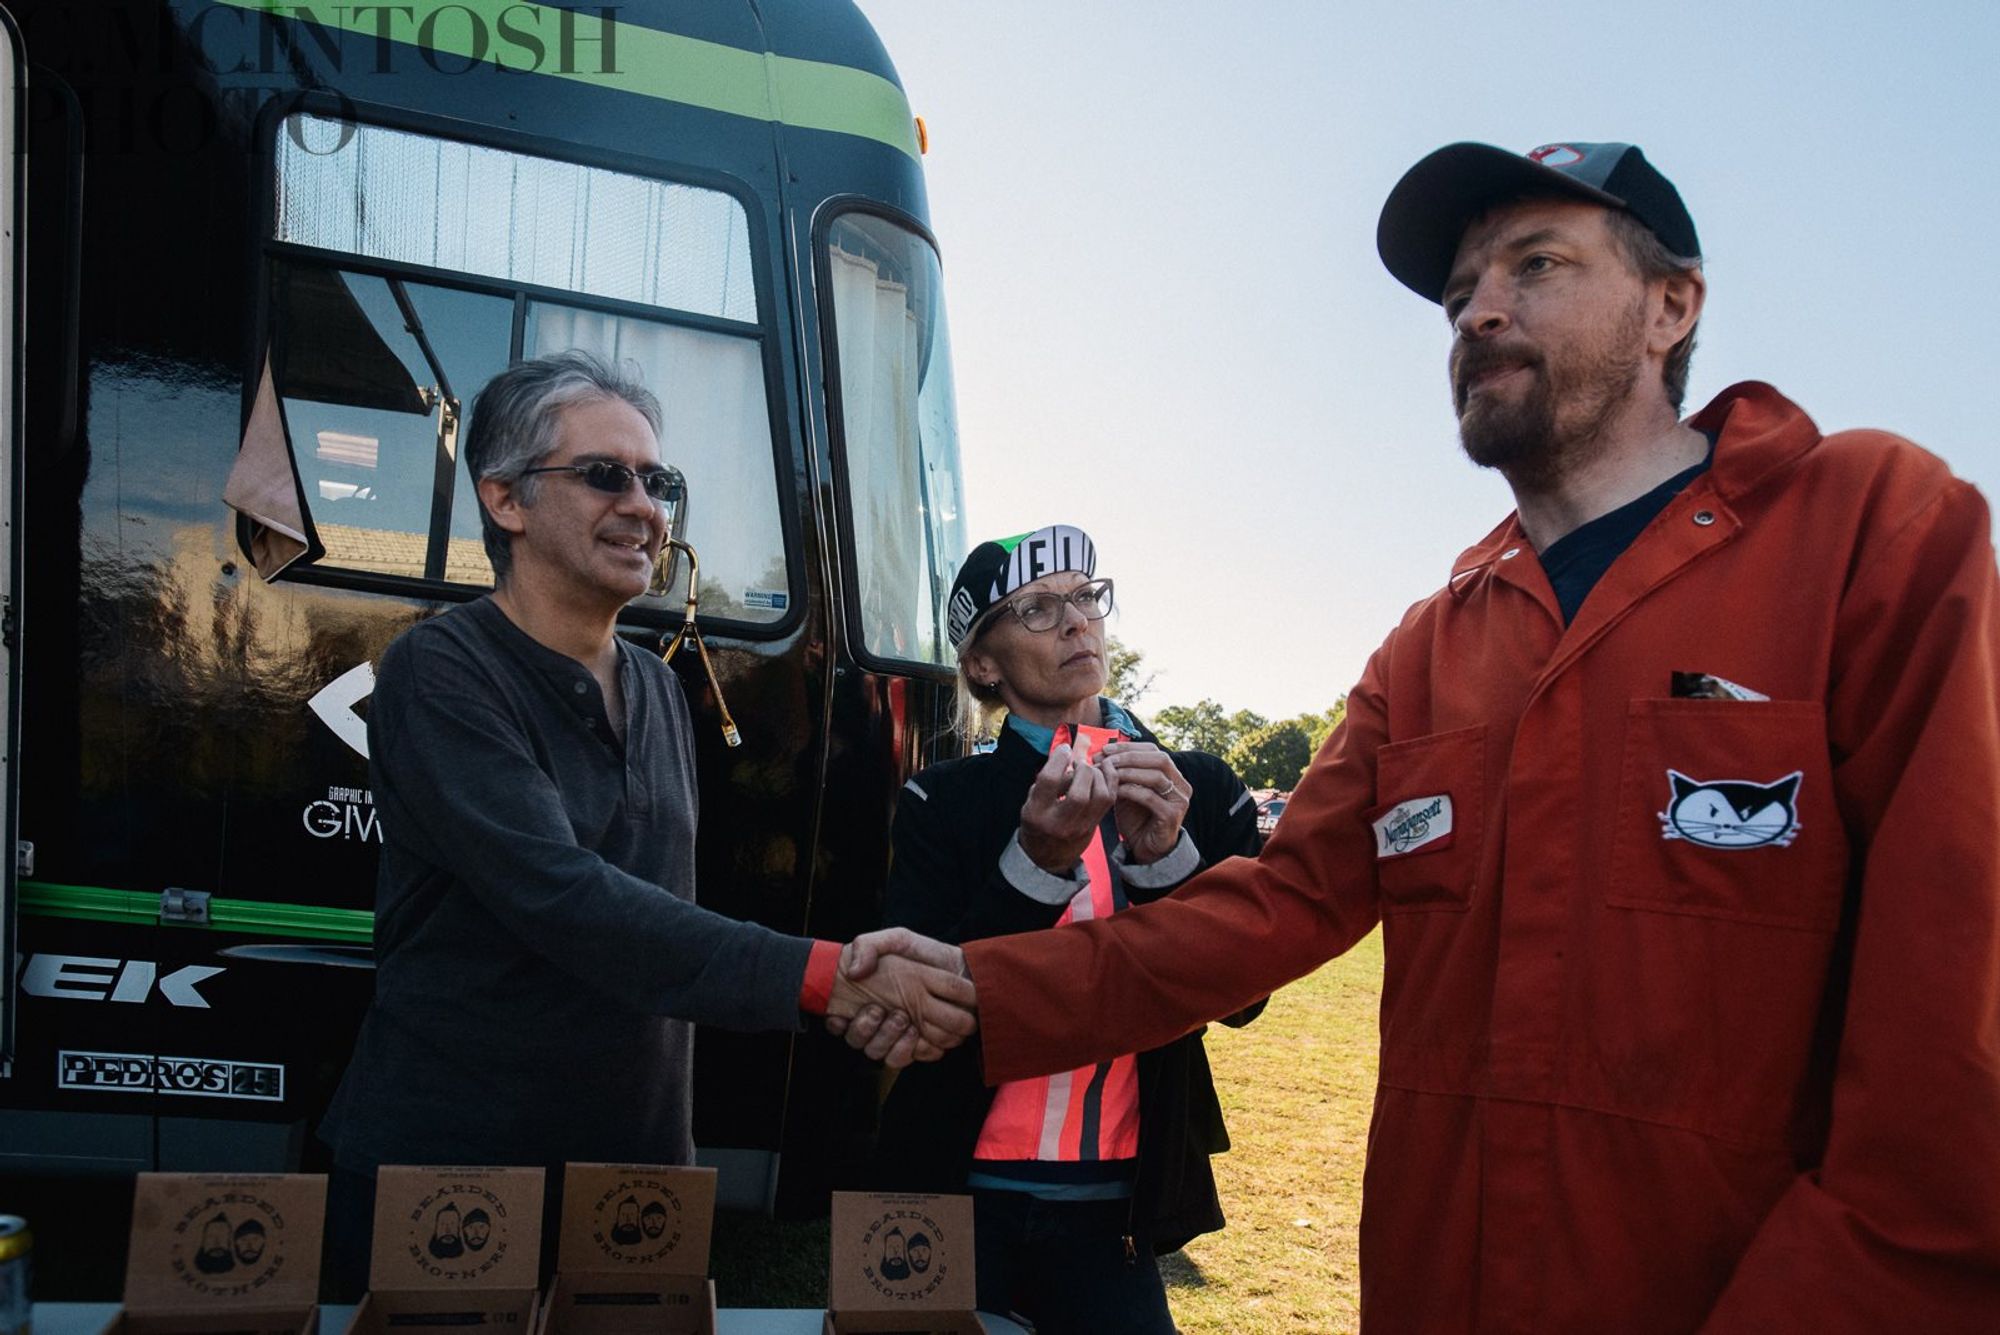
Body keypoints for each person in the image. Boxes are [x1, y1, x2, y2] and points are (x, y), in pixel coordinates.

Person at [849, 141, 2000, 1330]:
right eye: (1457, 296)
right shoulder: (1430, 649)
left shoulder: (1873, 538)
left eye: (1535, 264)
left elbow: (1950, 1061)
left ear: (1670, 305)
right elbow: (1273, 909)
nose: (1479, 311)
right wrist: (977, 986)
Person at [318, 351, 973, 1290]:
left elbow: (657, 915)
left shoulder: (662, 687)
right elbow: (566, 900)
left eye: (657, 480)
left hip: (632, 1179)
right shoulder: (441, 671)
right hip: (452, 1176)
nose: (645, 506)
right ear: (505, 500)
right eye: (603, 475)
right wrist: (830, 976)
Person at [867, 525, 1263, 1334]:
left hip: (1116, 1207)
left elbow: (1243, 1000)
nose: (1078, 622)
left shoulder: (1201, 785)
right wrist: (1036, 862)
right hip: (956, 1189)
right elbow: (919, 1006)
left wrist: (1164, 862)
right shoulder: (943, 801)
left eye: (1087, 597)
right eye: (1039, 609)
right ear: (983, 663)